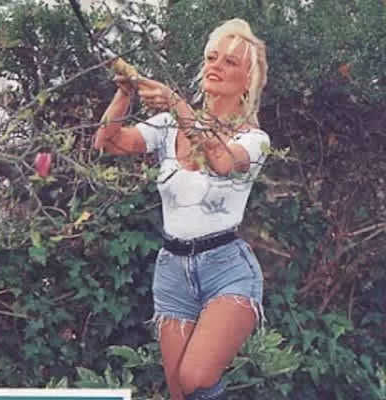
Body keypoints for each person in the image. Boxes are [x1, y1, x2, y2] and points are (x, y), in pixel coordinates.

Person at [94, 18, 269, 400]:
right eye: (211, 57)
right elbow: (107, 142)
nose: (215, 66)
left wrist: (176, 103)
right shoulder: (168, 126)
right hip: (172, 269)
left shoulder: (254, 140)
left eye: (230, 62)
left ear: (248, 81)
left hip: (226, 268)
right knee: (180, 393)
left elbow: (221, 161)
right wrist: (124, 93)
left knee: (194, 377)